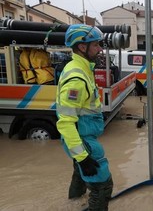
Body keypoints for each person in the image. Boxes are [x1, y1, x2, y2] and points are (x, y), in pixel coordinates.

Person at [56, 24, 113, 210]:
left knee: (80, 175)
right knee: (103, 187)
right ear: (82, 47)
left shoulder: (79, 67)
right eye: (96, 45)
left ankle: (72, 203)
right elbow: (65, 123)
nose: (100, 49)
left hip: (81, 137)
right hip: (83, 140)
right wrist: (83, 157)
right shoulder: (77, 79)